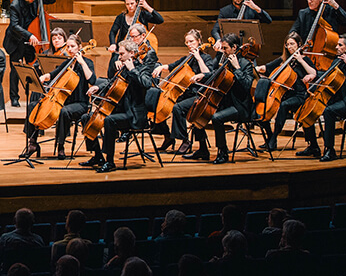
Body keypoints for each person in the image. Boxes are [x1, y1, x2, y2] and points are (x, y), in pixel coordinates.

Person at [81, 39, 151, 173]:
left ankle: (110, 161)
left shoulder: (142, 68)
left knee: (109, 121)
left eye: (122, 54)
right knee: (86, 118)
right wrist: (97, 86)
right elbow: (111, 82)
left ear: (131, 53)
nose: (119, 57)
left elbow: (147, 83)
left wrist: (132, 70)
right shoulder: (122, 68)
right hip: (118, 109)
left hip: (133, 114)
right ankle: (98, 156)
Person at [23, 31, 94, 158]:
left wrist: (82, 62)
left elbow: (92, 80)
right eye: (69, 47)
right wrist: (44, 77)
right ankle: (32, 143)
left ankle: (60, 146)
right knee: (33, 106)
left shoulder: (87, 63)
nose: (70, 49)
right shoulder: (67, 62)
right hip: (62, 100)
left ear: (79, 46)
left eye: (73, 46)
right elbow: (54, 73)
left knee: (64, 112)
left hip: (80, 103)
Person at [148, 29, 216, 155]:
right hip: (187, 94)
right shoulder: (187, 58)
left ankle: (185, 140)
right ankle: (168, 136)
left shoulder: (206, 58)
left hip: (199, 95)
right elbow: (172, 66)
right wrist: (161, 67)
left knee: (178, 108)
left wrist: (198, 58)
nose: (189, 44)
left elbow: (209, 74)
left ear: (199, 41)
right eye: (187, 42)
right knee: (156, 102)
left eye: (191, 41)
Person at [195, 33, 256, 165]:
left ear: (234, 47)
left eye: (225, 48)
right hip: (226, 103)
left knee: (217, 118)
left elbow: (247, 86)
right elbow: (216, 74)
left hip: (241, 107)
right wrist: (203, 75)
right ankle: (202, 148)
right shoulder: (226, 61)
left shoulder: (245, 64)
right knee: (199, 112)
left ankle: (222, 152)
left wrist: (237, 69)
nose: (223, 51)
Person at [308, 33, 346, 163]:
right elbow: (327, 76)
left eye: (339, 45)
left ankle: (330, 150)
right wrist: (313, 76)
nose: (336, 47)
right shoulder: (337, 61)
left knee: (329, 111)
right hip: (338, 100)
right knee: (311, 106)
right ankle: (313, 145)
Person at [254, 32, 318, 153]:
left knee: (284, 106)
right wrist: (254, 68)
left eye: (292, 44)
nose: (290, 47)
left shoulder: (305, 59)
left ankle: (273, 139)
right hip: (284, 94)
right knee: (262, 105)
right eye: (287, 44)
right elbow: (267, 68)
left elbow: (313, 73)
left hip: (300, 95)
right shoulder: (284, 60)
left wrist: (300, 60)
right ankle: (269, 137)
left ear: (299, 44)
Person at [4, 0, 56, 107]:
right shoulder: (15, 5)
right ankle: (14, 98)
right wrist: (29, 35)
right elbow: (15, 26)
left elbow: (50, 0)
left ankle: (35, 96)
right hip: (17, 40)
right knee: (15, 69)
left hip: (32, 40)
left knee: (34, 68)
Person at [108, 0, 163, 76]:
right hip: (124, 48)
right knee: (113, 64)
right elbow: (112, 32)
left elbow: (160, 20)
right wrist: (112, 44)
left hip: (138, 49)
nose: (130, 6)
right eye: (127, 4)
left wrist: (147, 7)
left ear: (137, 3)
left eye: (132, 3)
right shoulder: (121, 17)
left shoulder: (143, 15)